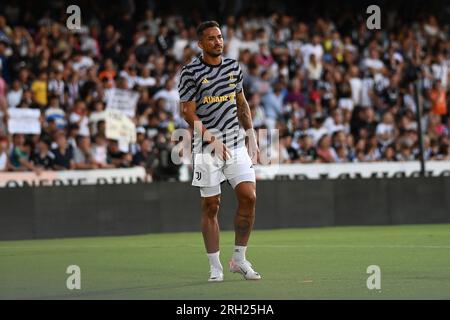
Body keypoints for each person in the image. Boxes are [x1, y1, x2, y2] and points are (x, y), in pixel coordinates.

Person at [179, 21, 261, 282]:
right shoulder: (190, 72)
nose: (218, 41)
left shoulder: (233, 68)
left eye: (220, 37)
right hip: (206, 147)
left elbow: (241, 103)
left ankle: (239, 260)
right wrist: (211, 139)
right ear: (200, 44)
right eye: (211, 38)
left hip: (235, 143)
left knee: (248, 196)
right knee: (211, 205)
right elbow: (187, 112)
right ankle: (215, 266)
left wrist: (252, 136)